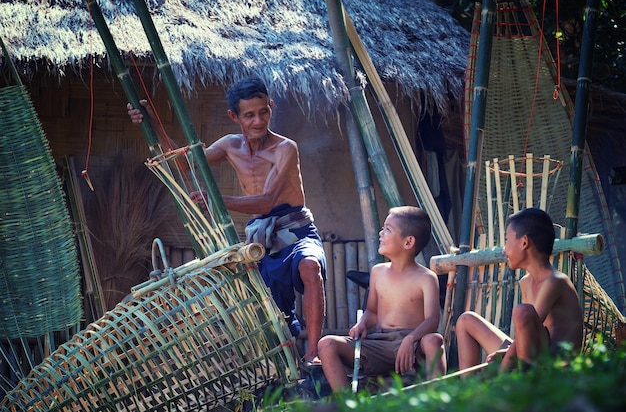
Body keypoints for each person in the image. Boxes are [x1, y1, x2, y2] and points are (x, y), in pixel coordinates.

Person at [127, 76, 327, 365]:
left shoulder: (285, 148)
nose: (258, 121)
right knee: (264, 303)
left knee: (310, 267)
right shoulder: (230, 145)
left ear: (271, 107)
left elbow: (269, 200)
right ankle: (276, 362)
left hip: (295, 228)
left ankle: (314, 352)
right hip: (260, 235)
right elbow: (186, 162)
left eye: (264, 112)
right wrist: (152, 123)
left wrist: (218, 201)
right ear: (235, 116)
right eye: (249, 115)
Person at [317, 206, 446, 392]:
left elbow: (432, 320)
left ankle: (439, 397)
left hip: (413, 345)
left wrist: (410, 339)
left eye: (387, 229)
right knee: (327, 344)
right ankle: (347, 404)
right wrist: (362, 323)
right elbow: (372, 313)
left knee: (433, 340)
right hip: (378, 344)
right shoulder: (378, 272)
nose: (380, 233)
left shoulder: (426, 278)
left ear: (408, 242)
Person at [455, 207, 583, 373]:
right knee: (466, 320)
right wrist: (506, 353)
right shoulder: (525, 282)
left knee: (523, 312)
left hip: (555, 365)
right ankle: (469, 392)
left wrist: (501, 374)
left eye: (507, 240)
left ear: (524, 242)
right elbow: (527, 334)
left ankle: (518, 383)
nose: (504, 249)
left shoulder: (555, 282)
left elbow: (528, 321)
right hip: (534, 352)